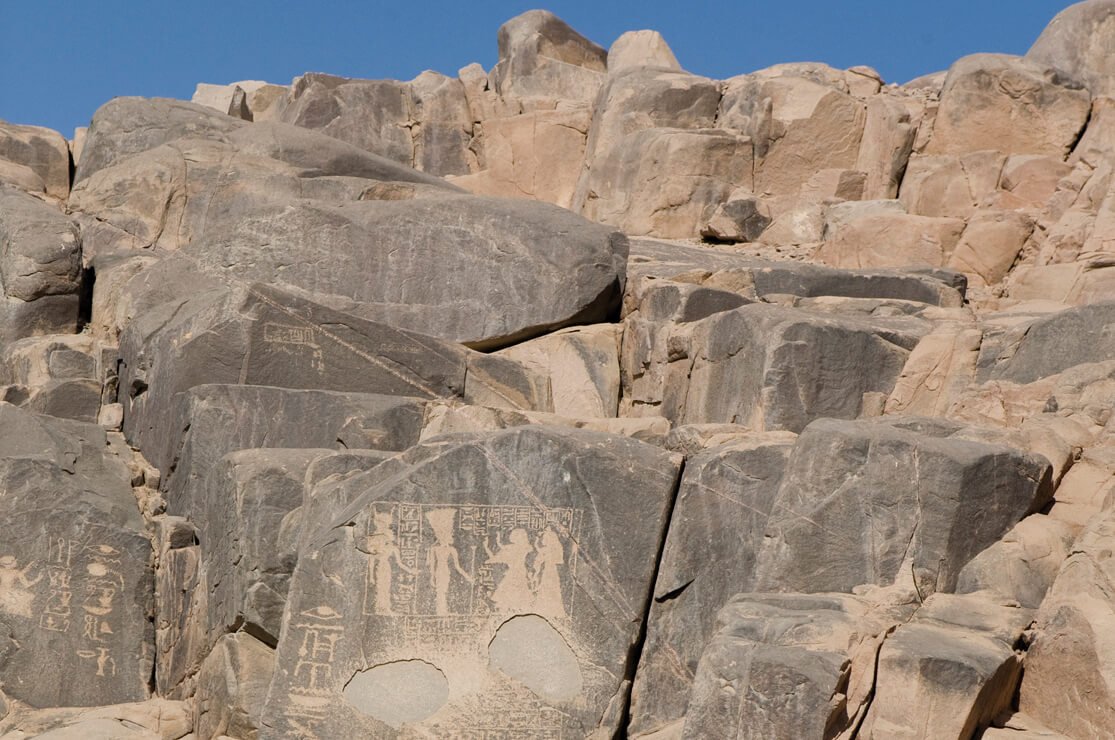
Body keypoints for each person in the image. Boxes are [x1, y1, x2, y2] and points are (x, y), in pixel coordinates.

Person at [425, 509, 474, 615]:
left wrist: (467, 577)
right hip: (440, 571)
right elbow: (432, 564)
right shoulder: (435, 549)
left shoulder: (451, 549)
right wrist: (431, 576)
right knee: (440, 591)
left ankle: (443, 610)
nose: (450, 536)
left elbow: (457, 566)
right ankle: (441, 611)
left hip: (445, 571)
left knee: (444, 591)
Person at [365, 511, 414, 615]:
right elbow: (372, 562)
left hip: (386, 568)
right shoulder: (378, 548)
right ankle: (380, 608)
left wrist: (411, 570)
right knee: (381, 587)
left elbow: (400, 563)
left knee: (386, 587)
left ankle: (385, 608)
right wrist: (371, 577)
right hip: (380, 568)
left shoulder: (392, 548)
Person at [484, 528, 533, 613]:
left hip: (514, 572)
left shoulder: (512, 548)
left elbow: (497, 557)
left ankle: (507, 611)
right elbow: (504, 549)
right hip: (520, 571)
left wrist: (487, 547)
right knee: (518, 593)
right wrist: (498, 542)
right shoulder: (525, 547)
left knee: (507, 593)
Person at [531, 528, 568, 619]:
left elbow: (540, 558)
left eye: (544, 538)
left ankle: (547, 609)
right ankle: (551, 610)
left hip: (548, 571)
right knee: (552, 589)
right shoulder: (554, 549)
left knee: (547, 588)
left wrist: (536, 567)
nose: (543, 539)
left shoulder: (548, 549)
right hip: (551, 571)